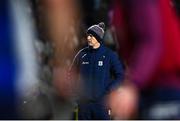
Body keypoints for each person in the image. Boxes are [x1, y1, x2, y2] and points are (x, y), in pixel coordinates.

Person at [69, 22, 125, 120]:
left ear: (98, 37)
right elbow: (70, 74)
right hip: (84, 105)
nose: (88, 38)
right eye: (87, 36)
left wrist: (108, 90)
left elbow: (120, 75)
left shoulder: (109, 55)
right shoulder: (82, 54)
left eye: (91, 36)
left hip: (102, 105)